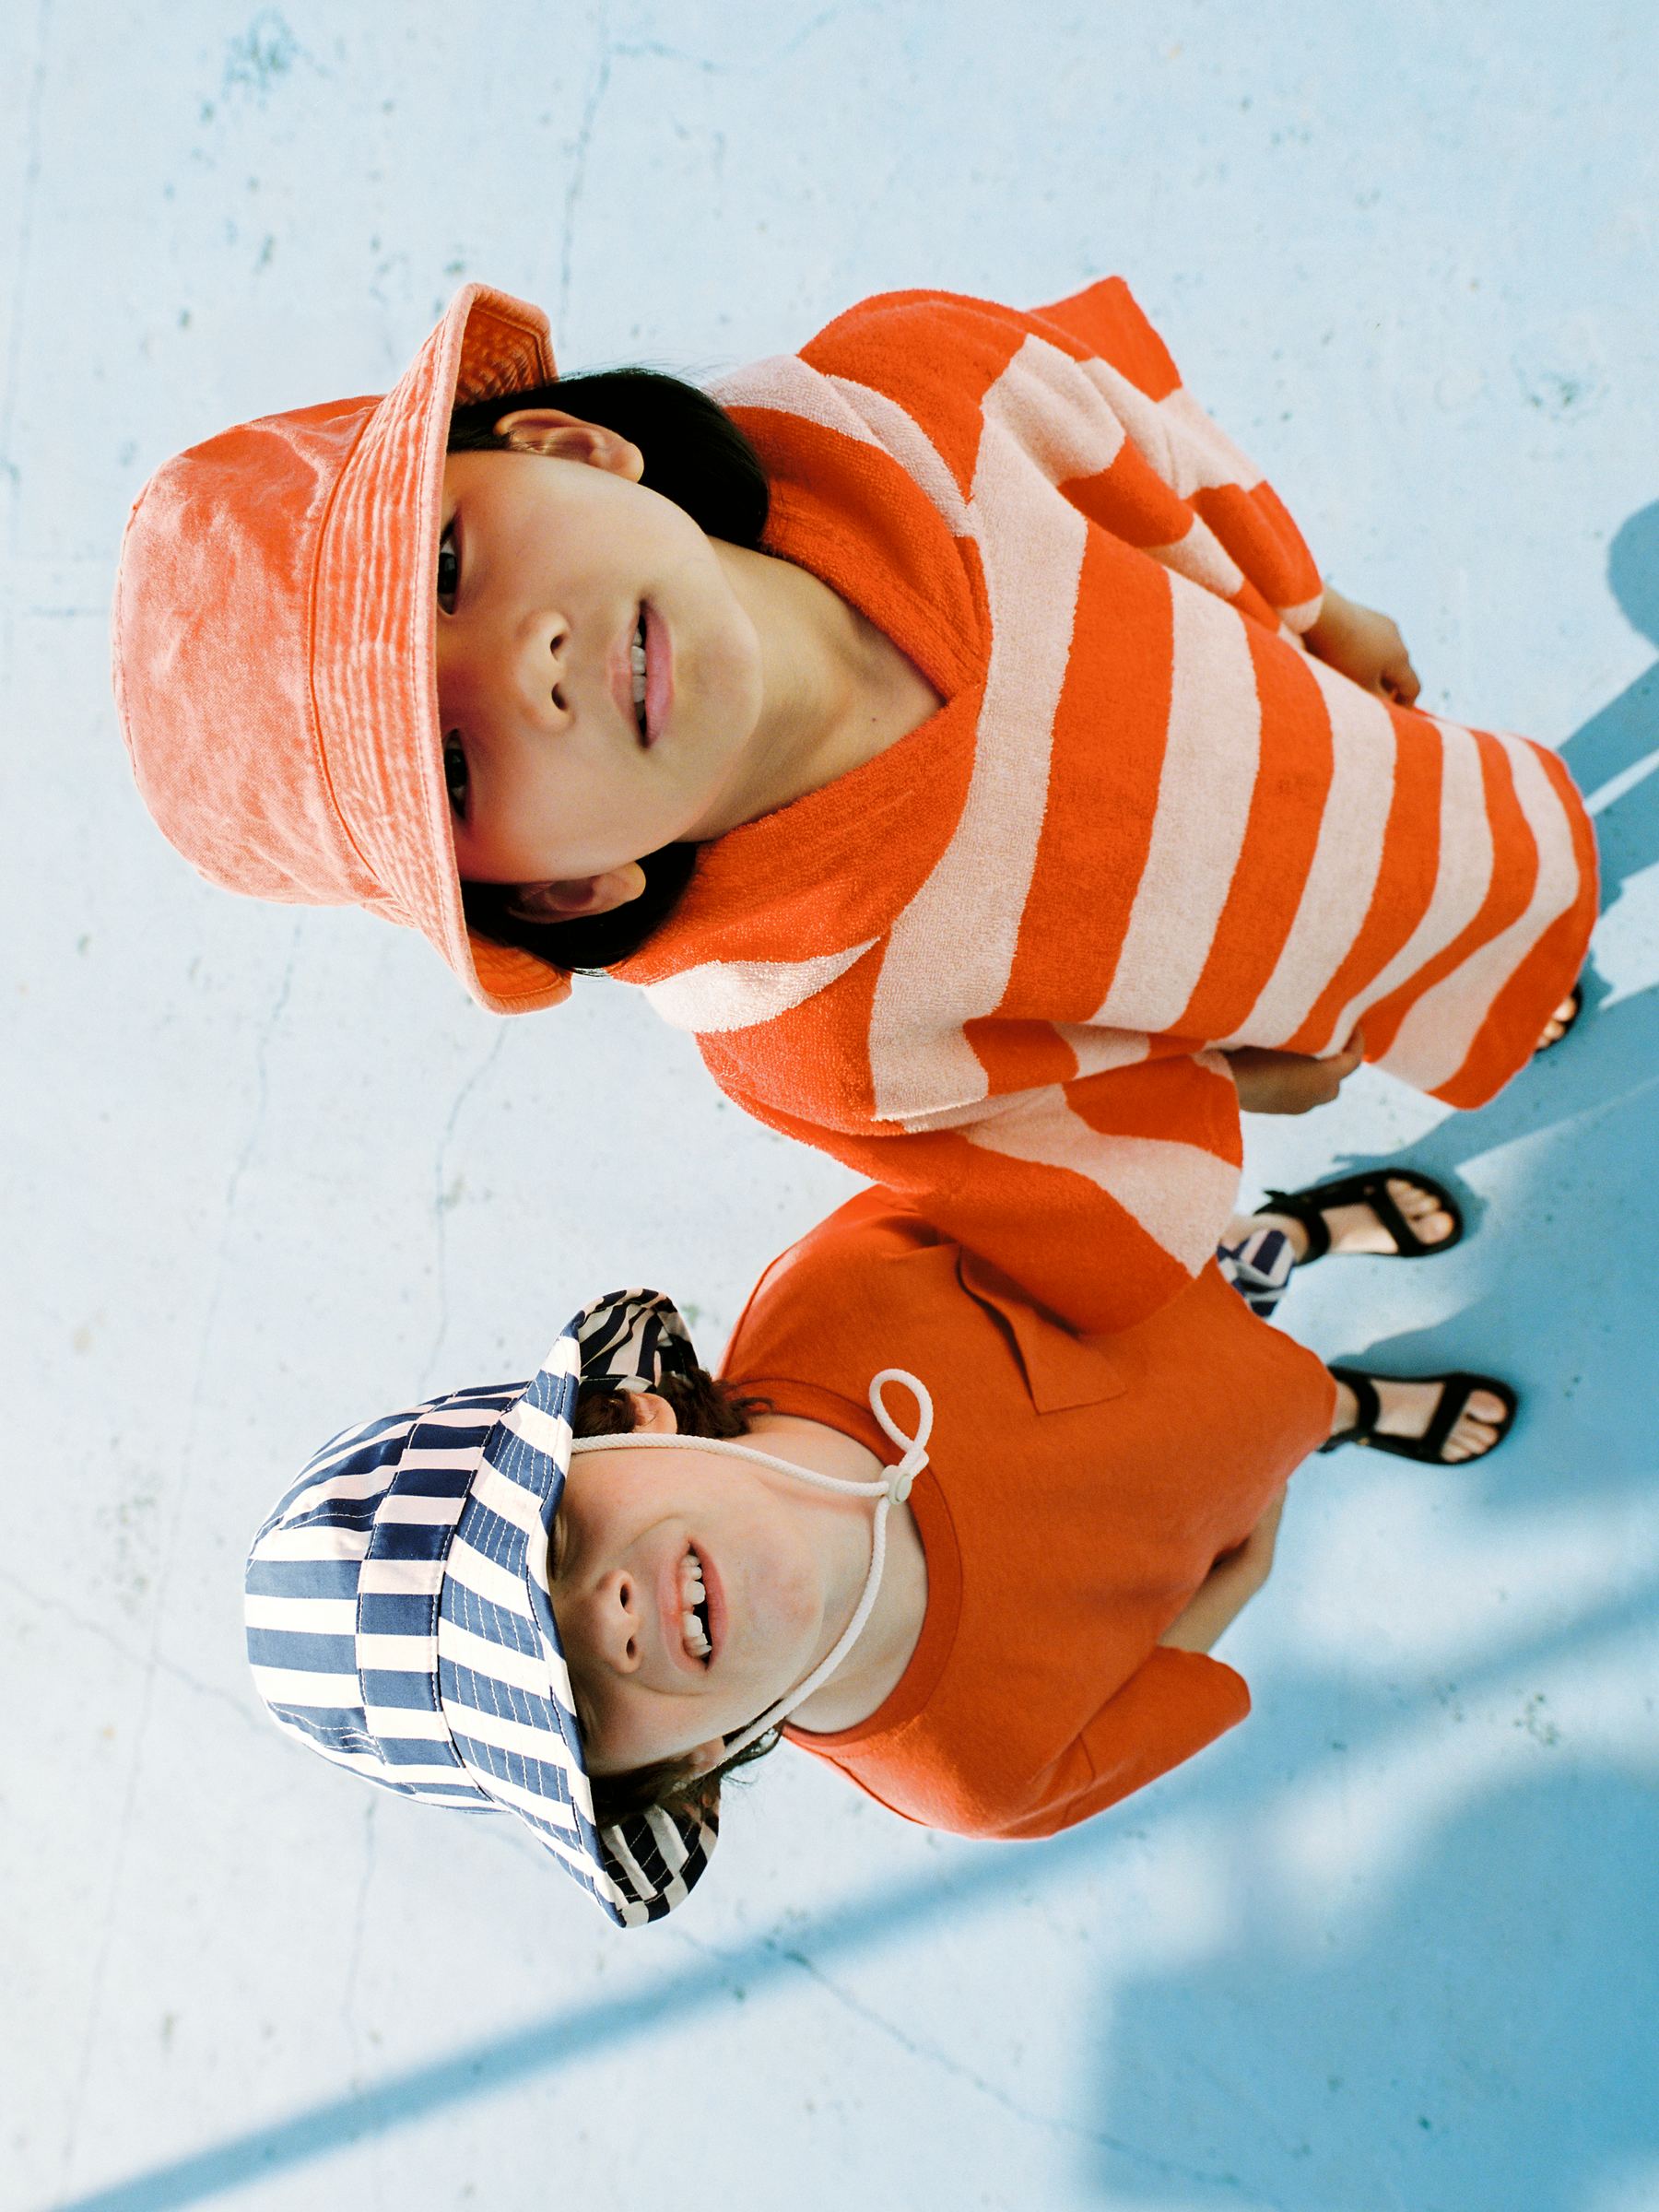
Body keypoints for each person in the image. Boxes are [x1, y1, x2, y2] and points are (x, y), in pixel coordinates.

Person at [114, 277, 1594, 1336]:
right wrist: (1232, 1077)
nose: (530, 666)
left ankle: (1532, 936)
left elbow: (1148, 457)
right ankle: (1519, 994)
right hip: (1317, 974)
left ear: (569, 447)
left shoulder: (911, 399)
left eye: (448, 569)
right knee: (1480, 975)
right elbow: (1052, 1132)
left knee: (1495, 826)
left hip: (1363, 750)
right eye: (454, 769)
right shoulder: (811, 1029)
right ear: (565, 892)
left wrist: (1309, 599)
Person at [246, 1167, 1512, 1927]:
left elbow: (1072, 1206)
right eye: (571, 1691)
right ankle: (1342, 1412)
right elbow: (1183, 1670)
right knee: (1291, 1413)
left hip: (1164, 1298)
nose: (613, 1614)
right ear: (673, 1771)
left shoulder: (841, 1291)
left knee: (1229, 1289)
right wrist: (1249, 1520)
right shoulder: (972, 1775)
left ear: (628, 1418)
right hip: (1233, 1494)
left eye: (562, 1534)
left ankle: (1286, 1241)